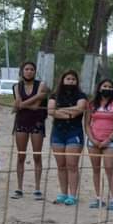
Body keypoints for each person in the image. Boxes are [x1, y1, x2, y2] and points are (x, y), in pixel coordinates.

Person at [85, 79, 113, 211]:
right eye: (104, 86)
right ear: (99, 88)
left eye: (110, 86)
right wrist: (93, 139)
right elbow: (86, 124)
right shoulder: (92, 104)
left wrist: (108, 140)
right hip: (93, 141)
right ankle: (99, 198)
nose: (107, 88)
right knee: (96, 169)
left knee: (110, 169)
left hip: (110, 141)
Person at [47, 70, 87, 206]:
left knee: (72, 165)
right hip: (57, 133)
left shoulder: (81, 95)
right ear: (62, 80)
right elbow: (50, 111)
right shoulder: (54, 95)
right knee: (61, 165)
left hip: (74, 133)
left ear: (77, 81)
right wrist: (70, 113)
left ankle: (73, 195)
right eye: (68, 78)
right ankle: (63, 193)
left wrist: (61, 111)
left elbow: (80, 109)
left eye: (73, 79)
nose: (70, 81)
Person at [11, 61, 49, 200]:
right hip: (21, 122)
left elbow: (35, 107)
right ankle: (19, 188)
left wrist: (21, 105)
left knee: (37, 156)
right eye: (26, 69)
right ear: (22, 71)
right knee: (21, 156)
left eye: (32, 69)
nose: (29, 71)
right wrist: (35, 98)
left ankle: (37, 189)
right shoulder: (16, 86)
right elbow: (18, 105)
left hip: (37, 122)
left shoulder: (42, 85)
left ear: (35, 71)